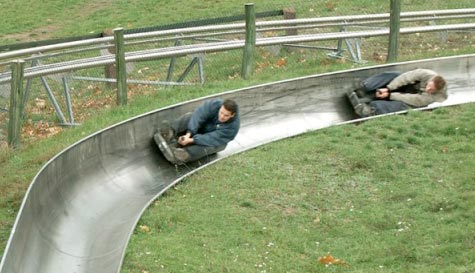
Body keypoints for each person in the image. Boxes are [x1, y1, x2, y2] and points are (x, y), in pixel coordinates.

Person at [154, 98, 240, 165]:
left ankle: (183, 155)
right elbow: (199, 115)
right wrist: (188, 134)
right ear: (221, 107)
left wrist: (192, 140)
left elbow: (211, 138)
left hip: (211, 140)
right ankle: (169, 133)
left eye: (226, 115)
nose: (221, 116)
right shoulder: (214, 104)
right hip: (201, 128)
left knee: (216, 145)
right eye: (221, 112)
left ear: (232, 115)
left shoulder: (233, 127)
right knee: (191, 116)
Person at [349, 68, 448, 117]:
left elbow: (413, 99)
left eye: (431, 90)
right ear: (431, 80)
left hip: (414, 100)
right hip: (409, 88)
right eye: (429, 86)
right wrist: (388, 88)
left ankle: (372, 109)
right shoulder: (426, 74)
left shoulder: (436, 96)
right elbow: (407, 77)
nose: (428, 90)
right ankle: (365, 87)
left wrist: (390, 95)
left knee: (405, 107)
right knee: (395, 75)